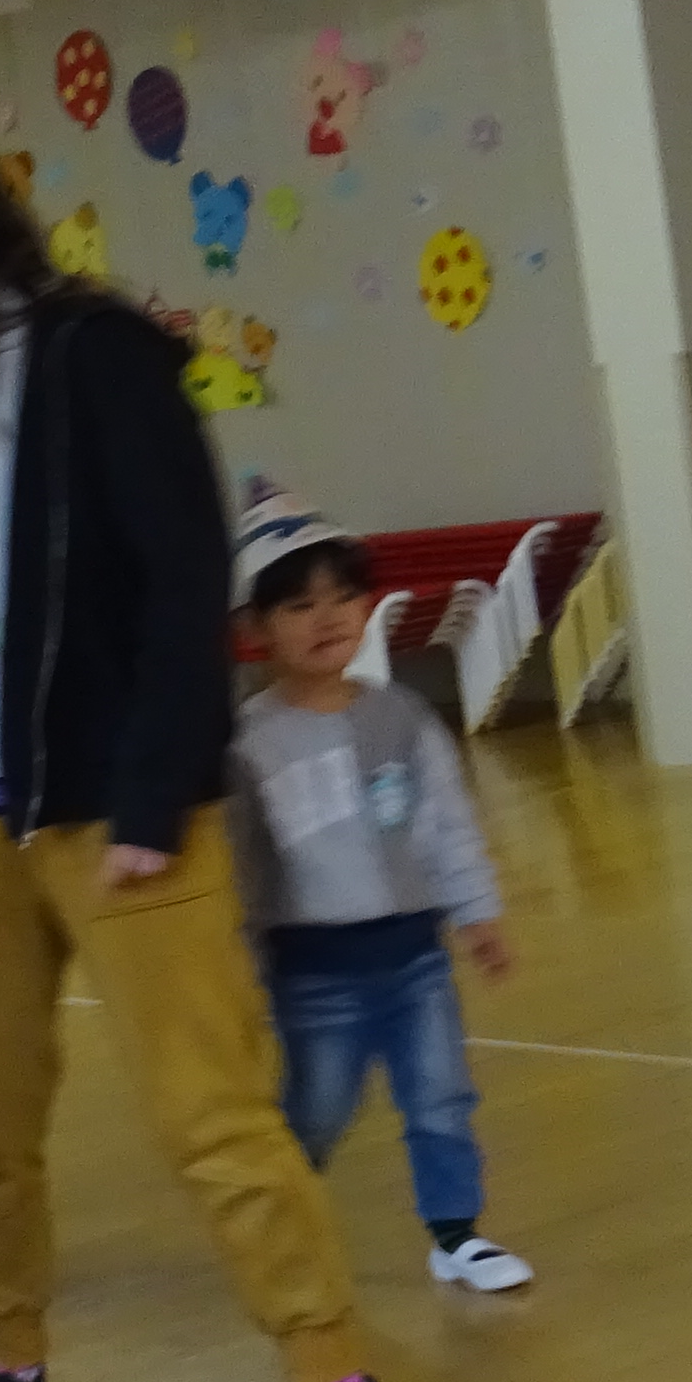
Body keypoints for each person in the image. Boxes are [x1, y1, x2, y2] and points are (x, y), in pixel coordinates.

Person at [0, 95, 390, 1382]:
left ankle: (331, 1374)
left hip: (112, 810)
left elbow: (185, 581)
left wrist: (153, 792)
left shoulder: (96, 357)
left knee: (207, 1105)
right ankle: (9, 1351)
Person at [225, 485, 533, 1295]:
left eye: (342, 597)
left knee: (440, 1096)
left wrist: (477, 912)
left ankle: (456, 1233)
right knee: (316, 1109)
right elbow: (240, 867)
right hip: (313, 972)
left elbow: (445, 822)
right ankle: (283, 1231)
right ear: (256, 629)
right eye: (298, 605)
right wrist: (240, 965)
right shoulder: (248, 744)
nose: (326, 617)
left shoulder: (402, 718)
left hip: (415, 959)